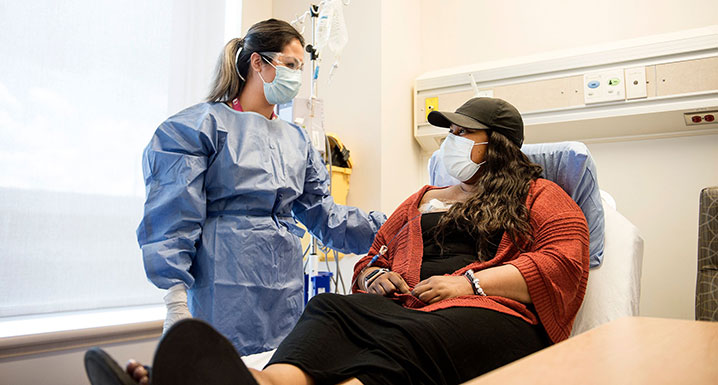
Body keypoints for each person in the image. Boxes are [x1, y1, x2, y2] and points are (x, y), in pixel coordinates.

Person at [88, 97, 589, 385]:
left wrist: (469, 287)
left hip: (490, 317)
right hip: (411, 311)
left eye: (461, 133)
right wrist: (374, 275)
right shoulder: (422, 199)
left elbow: (564, 262)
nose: (448, 142)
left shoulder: (539, 194)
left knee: (403, 338)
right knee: (331, 309)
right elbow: (375, 254)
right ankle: (261, 383)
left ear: (495, 144)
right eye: (448, 132)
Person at [136, 18, 385, 357]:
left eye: (300, 67)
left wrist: (399, 225)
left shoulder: (296, 140)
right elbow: (174, 217)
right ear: (258, 62)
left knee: (278, 370)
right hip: (222, 286)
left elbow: (325, 216)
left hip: (284, 292)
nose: (296, 76)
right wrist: (175, 300)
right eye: (291, 65)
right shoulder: (200, 128)